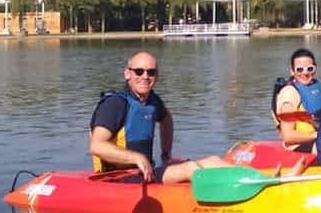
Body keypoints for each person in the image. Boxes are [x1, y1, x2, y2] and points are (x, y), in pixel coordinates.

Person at [89, 51, 234, 183]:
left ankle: (253, 184)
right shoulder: (114, 104)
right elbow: (97, 146)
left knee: (214, 161)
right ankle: (225, 199)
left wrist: (166, 155)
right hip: (118, 177)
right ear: (127, 74)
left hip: (145, 174)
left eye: (151, 72)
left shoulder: (152, 100)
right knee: (190, 168)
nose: (145, 77)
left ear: (156, 76)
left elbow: (166, 119)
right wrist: (136, 158)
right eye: (139, 72)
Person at [272, 48, 321, 153]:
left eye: (310, 69)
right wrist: (319, 135)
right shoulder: (290, 93)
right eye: (299, 69)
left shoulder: (313, 88)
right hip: (299, 147)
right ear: (292, 71)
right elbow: (288, 136)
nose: (305, 73)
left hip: (315, 140)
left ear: (315, 69)